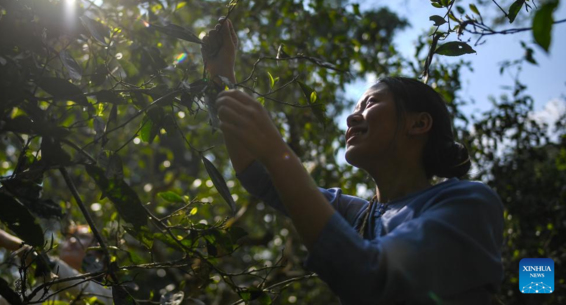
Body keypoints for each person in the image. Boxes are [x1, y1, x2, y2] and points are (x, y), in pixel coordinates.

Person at [203, 18, 504, 304]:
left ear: (418, 124)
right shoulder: (358, 215)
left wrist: (275, 150)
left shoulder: (468, 202)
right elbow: (257, 175)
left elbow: (369, 277)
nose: (351, 117)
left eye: (371, 102)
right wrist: (221, 77)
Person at [0, 222, 112, 305]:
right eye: (69, 238)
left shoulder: (107, 294)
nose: (72, 242)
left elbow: (62, 275)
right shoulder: (39, 295)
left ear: (98, 254)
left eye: (82, 237)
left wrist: (16, 245)